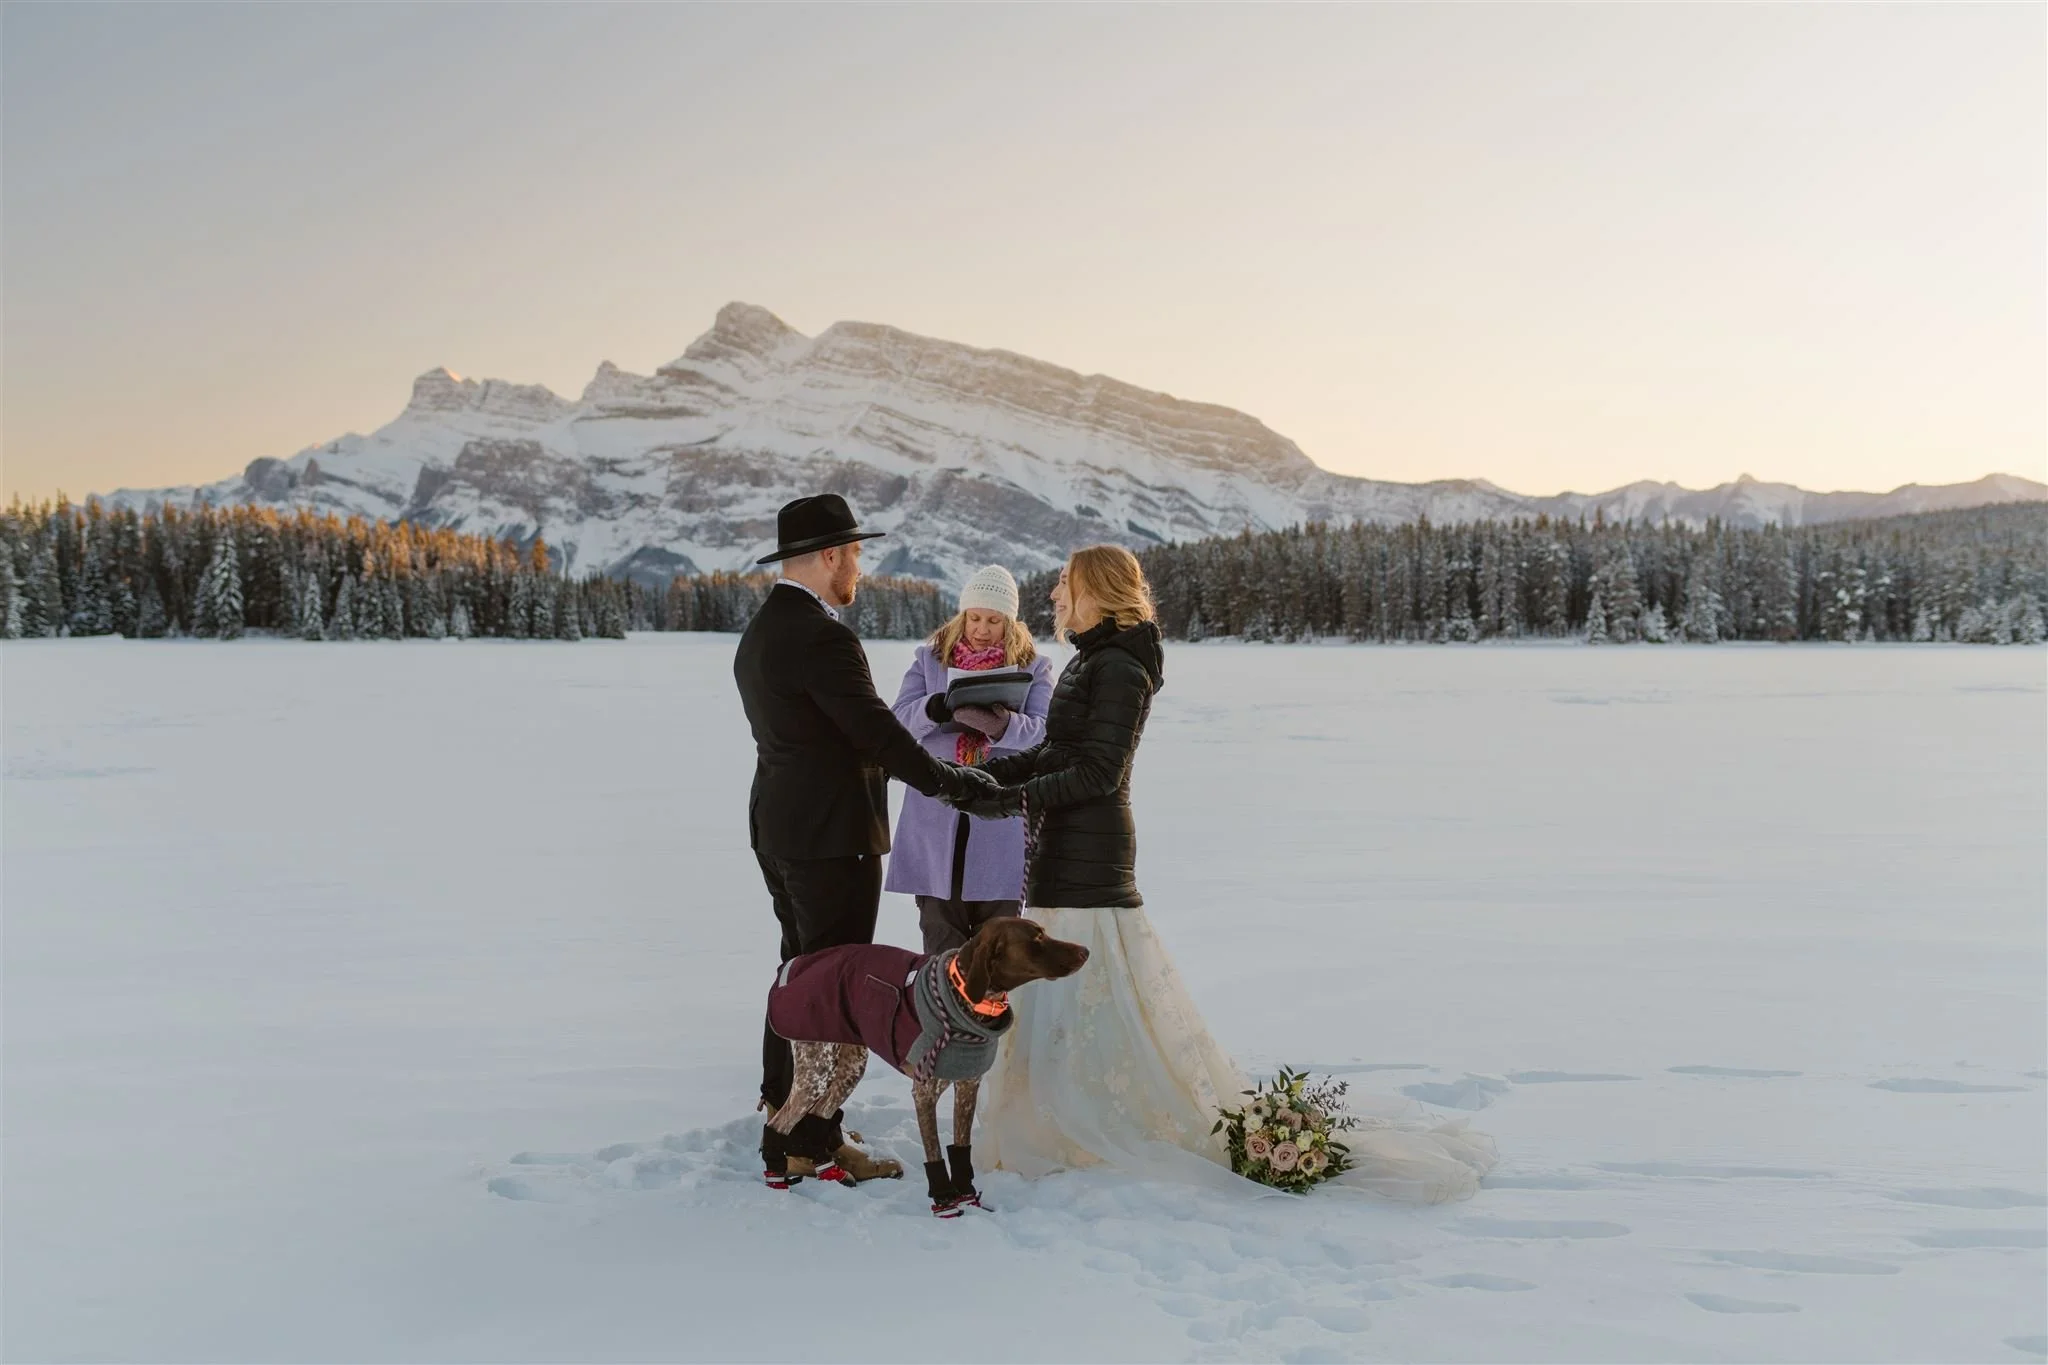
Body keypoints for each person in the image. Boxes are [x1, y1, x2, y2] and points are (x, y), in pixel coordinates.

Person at [951, 545, 1495, 1201]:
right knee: (1064, 1004)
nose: (1054, 596)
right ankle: (1056, 1119)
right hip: (1060, 851)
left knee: (1089, 994)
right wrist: (991, 776)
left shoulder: (1119, 665)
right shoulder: (1091, 658)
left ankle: (1087, 1125)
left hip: (1090, 858)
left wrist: (1011, 798)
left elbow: (1099, 772)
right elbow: (1057, 750)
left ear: (1095, 588)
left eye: (1065, 584)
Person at [733, 493, 996, 1185]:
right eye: (853, 552)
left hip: (781, 827)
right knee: (829, 985)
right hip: (830, 836)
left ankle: (793, 1119)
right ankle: (802, 1139)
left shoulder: (761, 630)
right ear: (827, 557)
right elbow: (875, 731)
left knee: (798, 972)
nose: (859, 565)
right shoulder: (823, 637)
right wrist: (952, 784)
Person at [886, 565, 1056, 954]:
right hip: (936, 817)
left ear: (1010, 622)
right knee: (941, 944)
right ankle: (942, 1013)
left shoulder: (1034, 665)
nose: (981, 629)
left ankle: (993, 1015)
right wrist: (934, 708)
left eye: (993, 620)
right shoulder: (930, 660)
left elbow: (1046, 732)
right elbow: (895, 724)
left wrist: (1002, 725)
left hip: (1001, 824)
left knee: (997, 953)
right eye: (975, 618)